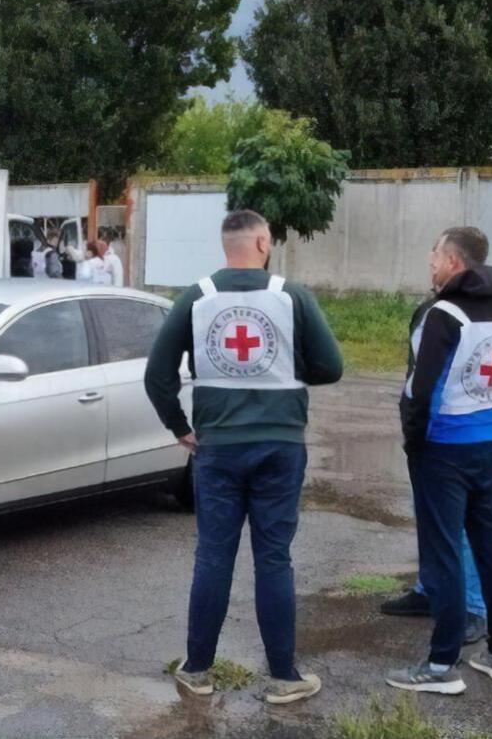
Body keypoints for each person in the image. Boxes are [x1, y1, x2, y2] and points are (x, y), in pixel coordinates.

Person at [144, 209, 343, 705]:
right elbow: (331, 366)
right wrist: (285, 373)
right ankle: (283, 677)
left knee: (213, 555)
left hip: (218, 447)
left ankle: (196, 669)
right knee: (273, 558)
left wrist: (180, 427)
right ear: (261, 243)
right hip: (281, 445)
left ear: (226, 245)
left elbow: (157, 375)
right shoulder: (291, 295)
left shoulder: (195, 297)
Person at [385, 227, 492, 694]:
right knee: (491, 548)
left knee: (443, 550)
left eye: (434, 251)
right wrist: (481, 395)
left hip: (443, 449)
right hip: (491, 443)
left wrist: (415, 443)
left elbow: (420, 391)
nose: (430, 259)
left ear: (452, 260)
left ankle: (441, 664)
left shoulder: (442, 315)